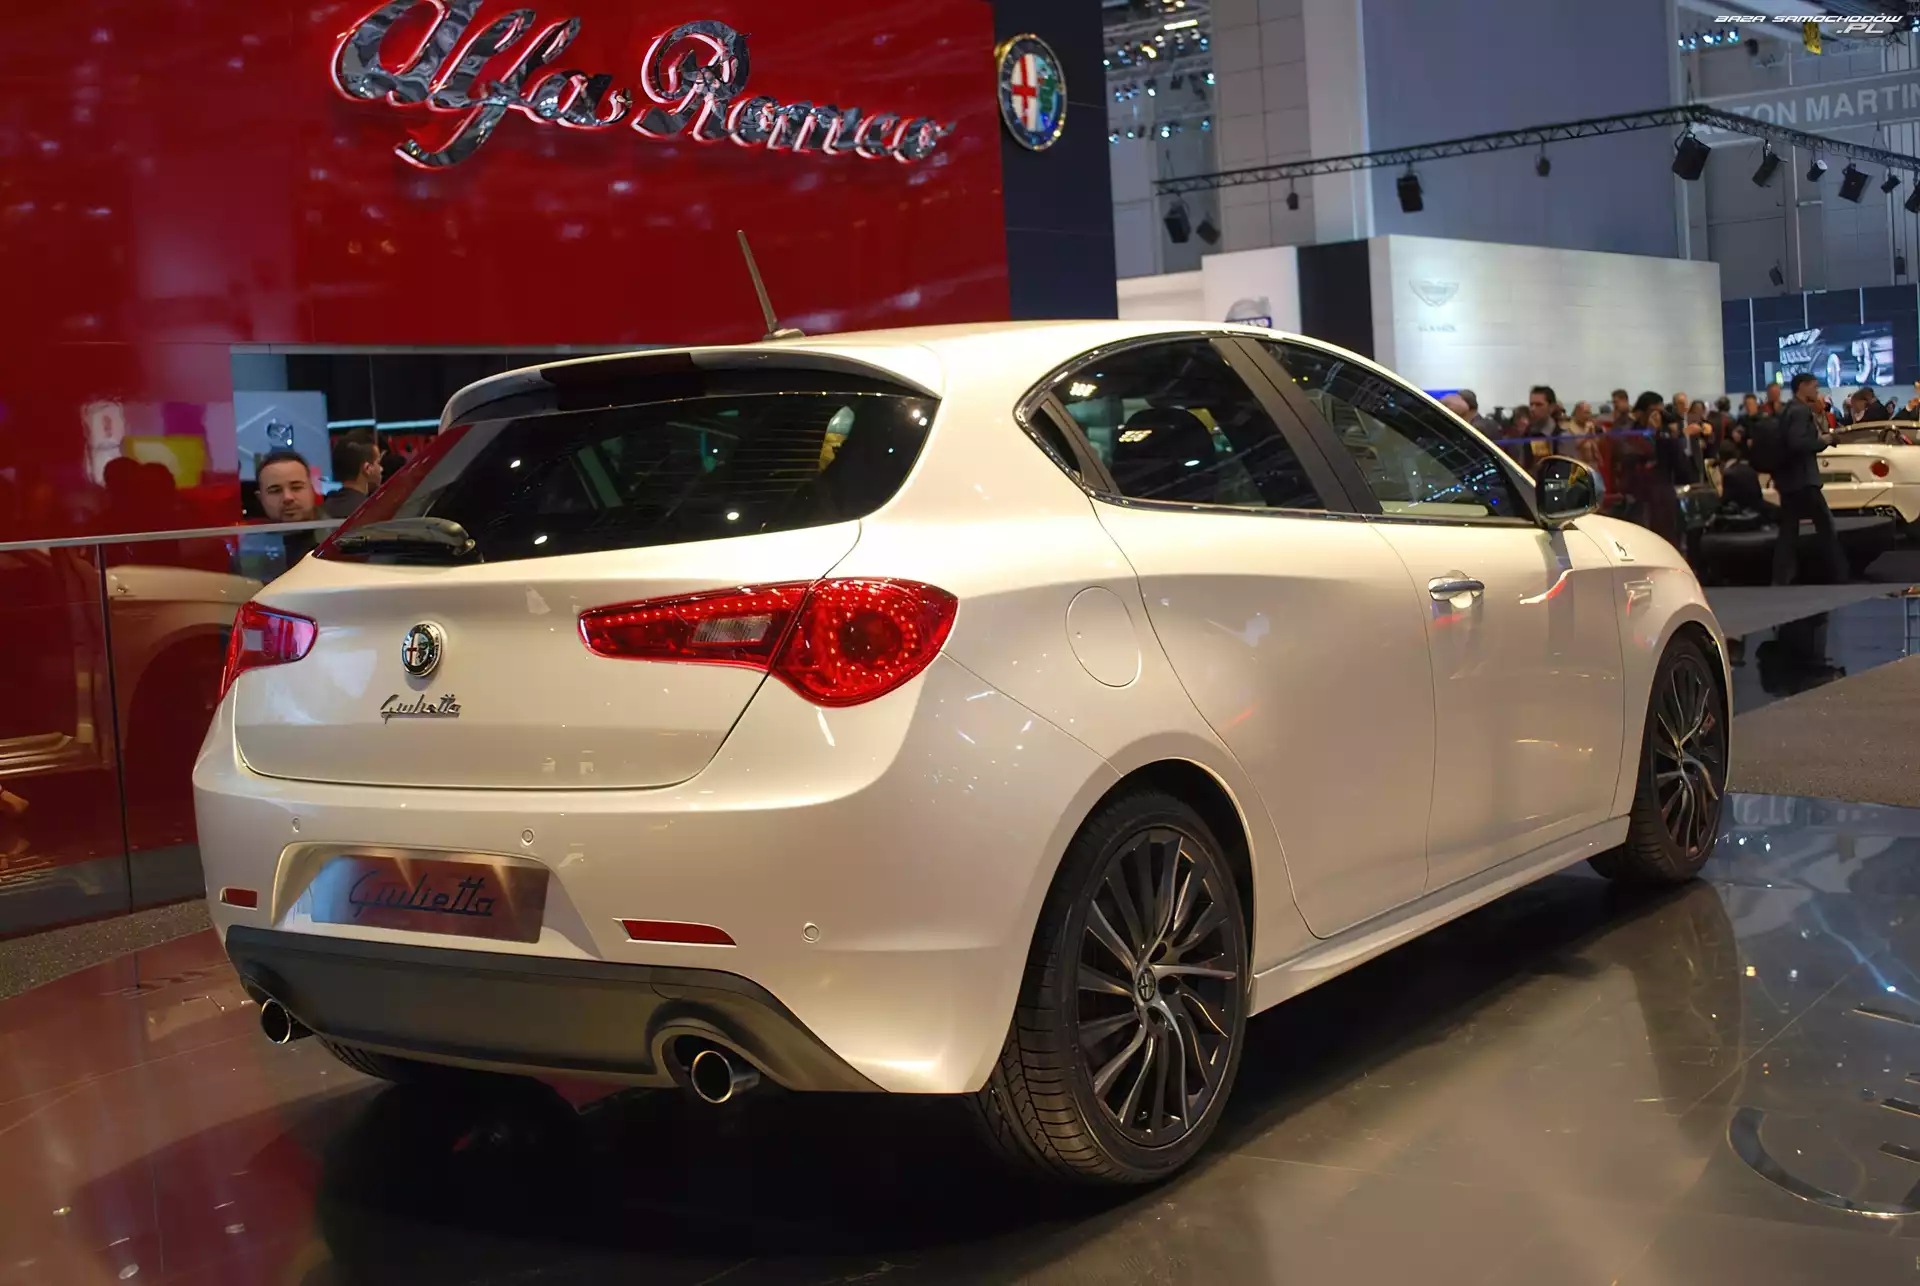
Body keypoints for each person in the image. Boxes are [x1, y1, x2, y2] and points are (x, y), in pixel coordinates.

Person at [1768, 372, 1848, 586]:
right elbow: (1798, 443)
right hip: (1804, 480)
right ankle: (1839, 575)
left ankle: (1781, 578)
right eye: (1814, 386)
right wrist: (1824, 441)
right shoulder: (1801, 411)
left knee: (1788, 531)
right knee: (1826, 528)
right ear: (1802, 387)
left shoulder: (1787, 410)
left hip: (1789, 480)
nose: (1817, 391)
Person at [324, 435, 384, 518]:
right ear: (367, 468)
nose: (381, 469)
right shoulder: (373, 513)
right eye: (378, 462)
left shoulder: (321, 512)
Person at [256, 449, 320, 523]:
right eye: (275, 491)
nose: (287, 497)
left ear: (312, 490)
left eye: (296, 487)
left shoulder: (332, 524)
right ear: (261, 498)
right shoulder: (248, 529)